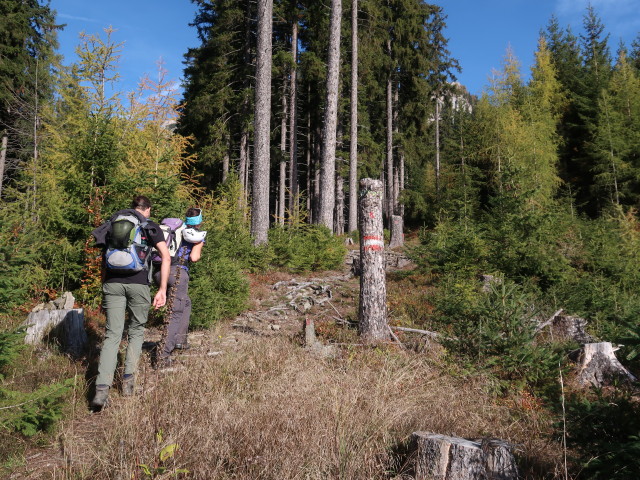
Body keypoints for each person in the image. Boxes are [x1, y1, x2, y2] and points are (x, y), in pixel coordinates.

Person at [90, 195, 171, 408]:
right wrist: (162, 289)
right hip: (139, 284)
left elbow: (103, 260)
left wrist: (104, 286)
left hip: (112, 284)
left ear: (133, 207)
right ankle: (128, 383)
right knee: (136, 331)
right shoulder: (149, 226)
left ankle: (101, 390)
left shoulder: (113, 223)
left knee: (112, 335)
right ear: (148, 209)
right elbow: (166, 256)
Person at [153, 207, 206, 366]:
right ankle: (162, 356)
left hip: (159, 272)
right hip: (177, 274)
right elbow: (194, 257)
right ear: (200, 221)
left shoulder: (175, 230)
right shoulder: (196, 236)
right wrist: (200, 244)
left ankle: (180, 340)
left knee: (186, 302)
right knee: (175, 312)